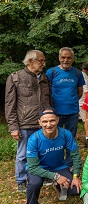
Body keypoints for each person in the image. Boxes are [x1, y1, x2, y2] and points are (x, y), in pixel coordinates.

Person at [25, 107, 82, 204]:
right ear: (39, 122)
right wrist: (56, 176)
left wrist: (76, 176)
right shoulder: (34, 139)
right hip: (39, 168)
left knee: (75, 190)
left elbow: (76, 156)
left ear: (57, 120)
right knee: (34, 184)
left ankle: (57, 185)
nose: (48, 124)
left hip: (58, 167)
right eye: (45, 122)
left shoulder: (65, 134)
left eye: (52, 121)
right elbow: (33, 167)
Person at [5, 50, 52, 192]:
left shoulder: (44, 78)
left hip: (43, 123)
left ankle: (43, 176)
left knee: (44, 151)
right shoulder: (16, 78)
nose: (44, 64)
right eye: (41, 61)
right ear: (31, 61)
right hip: (25, 123)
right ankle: (21, 180)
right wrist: (13, 127)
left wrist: (51, 118)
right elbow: (9, 104)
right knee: (23, 154)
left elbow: (49, 100)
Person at [46, 47, 85, 167]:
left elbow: (80, 92)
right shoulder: (51, 72)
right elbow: (46, 91)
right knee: (53, 139)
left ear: (73, 59)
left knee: (70, 139)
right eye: (63, 57)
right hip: (55, 113)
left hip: (72, 113)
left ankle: (68, 163)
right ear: (59, 58)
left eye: (69, 58)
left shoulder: (78, 73)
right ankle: (55, 163)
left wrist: (70, 102)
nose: (66, 60)